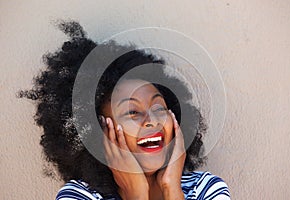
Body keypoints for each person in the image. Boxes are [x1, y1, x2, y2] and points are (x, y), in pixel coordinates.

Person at [19, 20, 230, 200]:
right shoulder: (78, 195)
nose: (151, 120)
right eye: (132, 112)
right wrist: (136, 194)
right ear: (99, 131)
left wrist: (172, 190)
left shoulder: (207, 189)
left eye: (159, 107)